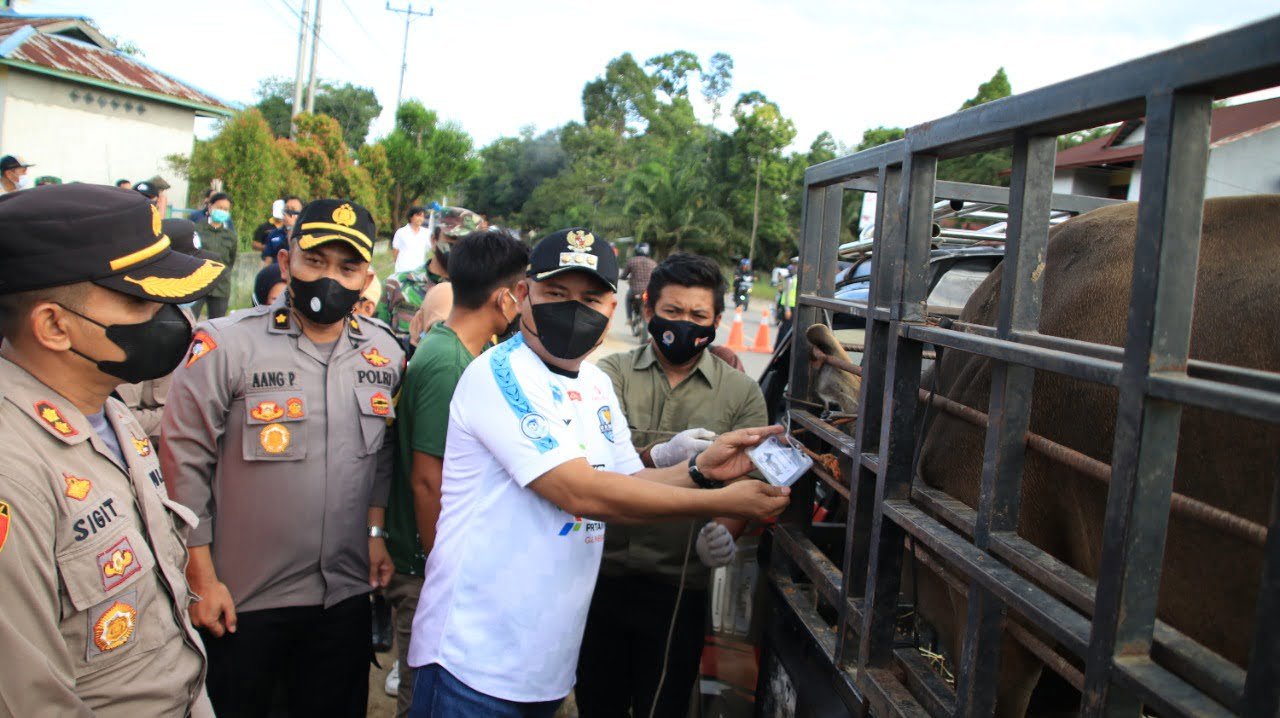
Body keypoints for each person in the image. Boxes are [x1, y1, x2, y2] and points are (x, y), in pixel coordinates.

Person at [405, 227, 791, 716]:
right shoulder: (500, 375)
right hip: (474, 657)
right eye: (556, 293)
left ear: (614, 308)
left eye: (591, 298)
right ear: (524, 294)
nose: (574, 309)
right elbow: (581, 493)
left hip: (544, 660)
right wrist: (719, 500)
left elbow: (626, 482)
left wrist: (699, 467)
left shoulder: (593, 383)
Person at [162, 198, 405, 717]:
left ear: (367, 277)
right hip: (244, 599)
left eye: (347, 267)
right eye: (314, 261)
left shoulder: (385, 354)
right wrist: (200, 576)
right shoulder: (226, 345)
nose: (329, 277)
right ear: (286, 261)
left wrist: (376, 534)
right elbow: (183, 461)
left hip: (342, 596)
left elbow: (381, 454)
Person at [0, 183, 226, 715]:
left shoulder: (110, 411)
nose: (169, 315)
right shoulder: (13, 471)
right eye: (138, 299)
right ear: (54, 325)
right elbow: (31, 700)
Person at [576, 252, 769, 717]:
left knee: (662, 704)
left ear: (717, 321)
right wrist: (658, 455)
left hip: (679, 585)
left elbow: (752, 482)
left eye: (698, 316)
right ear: (647, 311)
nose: (685, 325)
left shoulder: (741, 393)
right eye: (673, 312)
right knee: (596, 703)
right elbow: (592, 465)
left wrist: (724, 530)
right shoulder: (608, 376)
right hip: (598, 578)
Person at [382, 229, 529, 715]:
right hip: (427, 565)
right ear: (504, 297)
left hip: (432, 559)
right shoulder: (448, 362)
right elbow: (428, 480)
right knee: (423, 692)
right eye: (524, 290)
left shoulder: (461, 350)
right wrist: (444, 571)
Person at [117, 218, 214, 448]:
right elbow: (123, 417)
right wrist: (189, 418)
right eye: (191, 268)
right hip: (150, 445)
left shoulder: (180, 312)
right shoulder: (138, 325)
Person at [376, 206, 482, 341]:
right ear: (433, 240)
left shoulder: (480, 295)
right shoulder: (395, 285)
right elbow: (373, 341)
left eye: (467, 242)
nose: (459, 247)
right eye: (452, 238)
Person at [189, 192, 237, 320]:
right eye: (219, 207)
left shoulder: (230, 236)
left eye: (225, 209)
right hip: (198, 282)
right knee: (189, 320)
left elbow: (230, 261)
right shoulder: (196, 230)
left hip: (221, 286)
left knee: (217, 325)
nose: (222, 211)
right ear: (210, 207)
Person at [261, 196, 304, 265]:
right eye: (286, 209)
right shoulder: (274, 234)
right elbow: (267, 260)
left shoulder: (305, 234)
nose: (288, 213)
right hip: (276, 273)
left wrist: (291, 228)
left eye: (293, 209)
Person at [619, 242, 656, 322]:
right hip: (648, 291)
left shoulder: (632, 261)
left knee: (628, 299)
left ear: (636, 251)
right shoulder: (653, 263)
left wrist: (622, 278)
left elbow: (624, 275)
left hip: (635, 290)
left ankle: (629, 318)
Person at [392, 206, 432, 274]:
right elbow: (395, 251)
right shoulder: (401, 232)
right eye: (418, 215)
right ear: (411, 217)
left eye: (422, 216)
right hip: (402, 270)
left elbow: (432, 248)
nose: (420, 218)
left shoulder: (427, 233)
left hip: (419, 271)